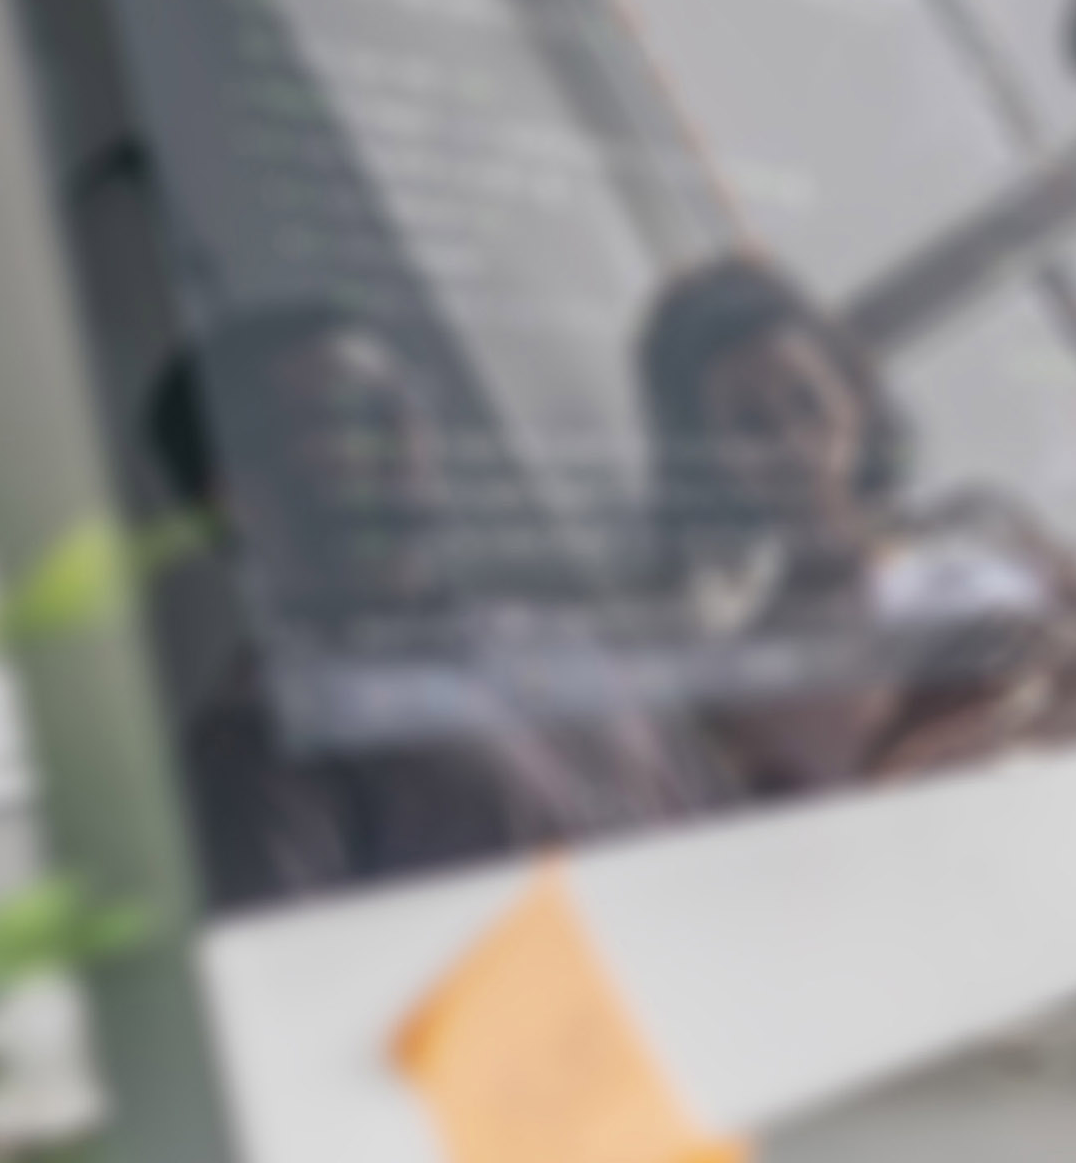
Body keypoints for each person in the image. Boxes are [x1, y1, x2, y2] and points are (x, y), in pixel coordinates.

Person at [139, 303, 720, 905]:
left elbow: (712, 826)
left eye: (407, 399)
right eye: (353, 414)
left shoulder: (554, 634)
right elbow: (304, 984)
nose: (406, 429)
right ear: (239, 496)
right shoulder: (256, 744)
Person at [636, 256, 1076, 793]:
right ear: (711, 456)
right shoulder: (748, 679)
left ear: (852, 395)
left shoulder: (981, 531)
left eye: (806, 401)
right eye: (751, 423)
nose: (794, 443)